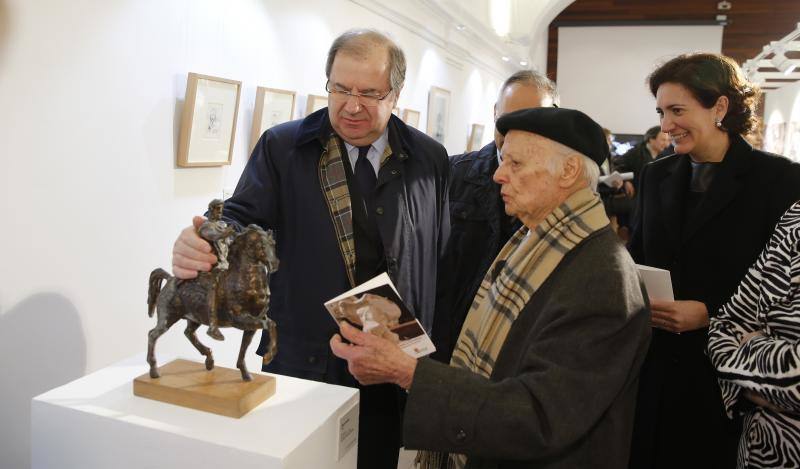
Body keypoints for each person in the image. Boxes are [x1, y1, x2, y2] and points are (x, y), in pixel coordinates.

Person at [170, 29, 450, 469]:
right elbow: (240, 216)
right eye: (340, 89)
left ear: (396, 94)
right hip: (306, 360)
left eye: (369, 93)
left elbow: (439, 254)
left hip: (389, 359)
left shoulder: (429, 158)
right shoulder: (283, 147)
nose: (351, 105)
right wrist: (206, 238)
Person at [331, 107, 651, 469]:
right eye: (503, 160)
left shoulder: (602, 277)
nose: (498, 174)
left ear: (568, 171)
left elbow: (539, 417)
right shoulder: (532, 242)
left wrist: (407, 372)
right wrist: (403, 352)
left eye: (515, 164)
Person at [627, 52, 800, 469]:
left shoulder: (781, 180)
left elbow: (785, 287)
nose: (666, 125)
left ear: (720, 107)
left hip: (727, 380)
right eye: (661, 112)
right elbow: (638, 256)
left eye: (677, 110)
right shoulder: (655, 175)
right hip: (655, 367)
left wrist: (710, 312)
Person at [432, 70, 558, 362]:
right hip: (447, 343)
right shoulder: (452, 174)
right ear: (494, 113)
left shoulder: (562, 190)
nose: (517, 132)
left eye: (532, 121)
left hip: (519, 349)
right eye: (508, 120)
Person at [708, 201, 800, 469]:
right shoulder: (794, 215)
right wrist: (769, 379)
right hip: (756, 452)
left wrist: (753, 345)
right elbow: (726, 322)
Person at [196, 199, 236, 340]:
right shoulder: (206, 226)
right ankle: (213, 326)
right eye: (217, 209)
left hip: (226, 265)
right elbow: (213, 236)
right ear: (211, 209)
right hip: (212, 267)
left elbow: (229, 241)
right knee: (214, 288)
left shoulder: (222, 225)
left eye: (221, 209)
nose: (220, 212)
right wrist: (226, 233)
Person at [614, 125, 670, 191]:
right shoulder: (635, 152)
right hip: (637, 193)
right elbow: (616, 166)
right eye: (663, 140)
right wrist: (626, 182)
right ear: (651, 139)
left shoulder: (666, 154)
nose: (667, 144)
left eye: (668, 140)